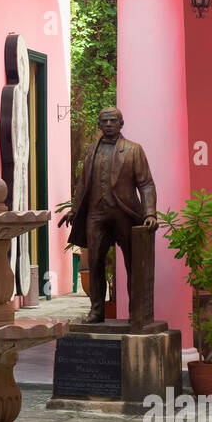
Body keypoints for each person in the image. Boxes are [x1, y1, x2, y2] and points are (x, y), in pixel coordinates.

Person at [57, 107, 157, 323]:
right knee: (94, 263)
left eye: (113, 120)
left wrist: (150, 213)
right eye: (105, 121)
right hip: (96, 214)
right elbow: (83, 183)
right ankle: (97, 311)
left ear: (121, 124)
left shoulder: (133, 150)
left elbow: (146, 184)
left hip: (126, 212)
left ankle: (136, 313)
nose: (109, 124)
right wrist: (74, 209)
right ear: (99, 124)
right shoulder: (91, 150)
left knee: (133, 264)